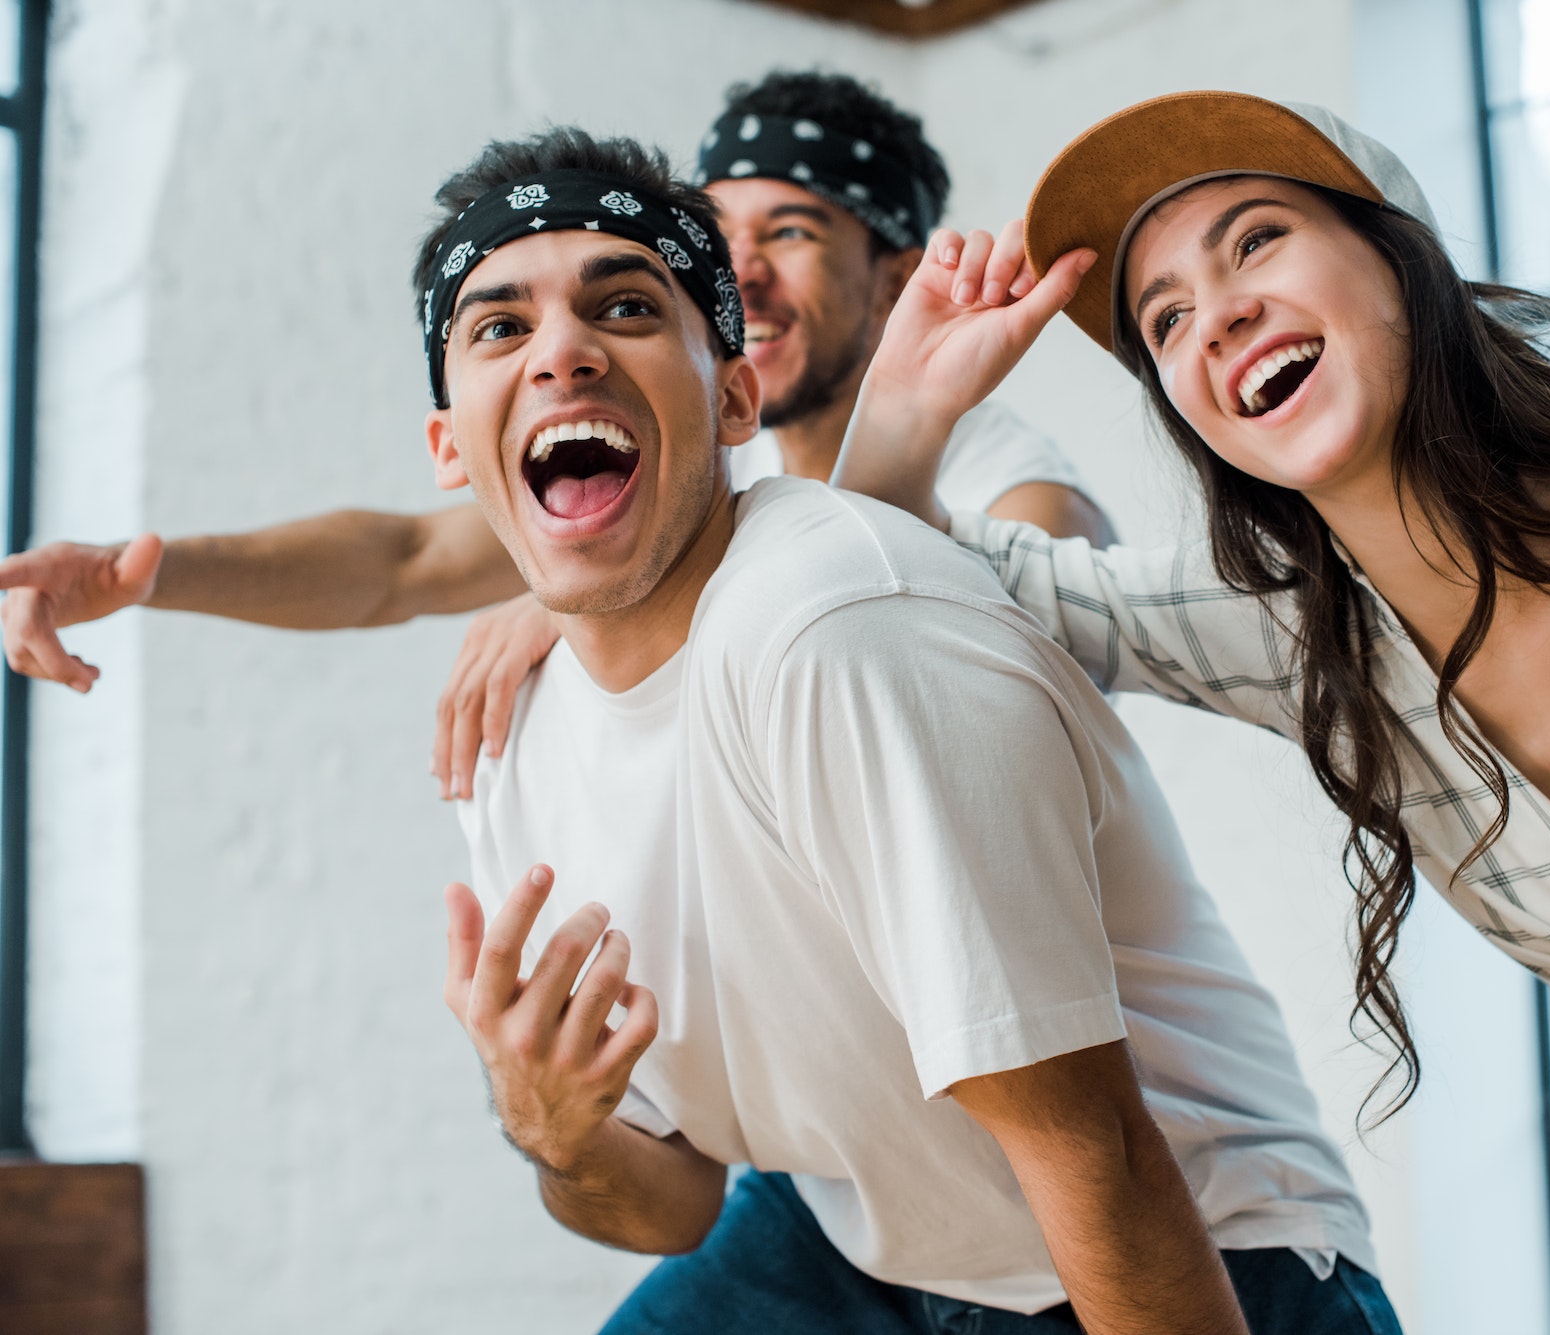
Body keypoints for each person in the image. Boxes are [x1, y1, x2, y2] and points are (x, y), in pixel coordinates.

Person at [827, 93, 1550, 1335]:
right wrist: (904, 410)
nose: (1214, 311)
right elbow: (898, 588)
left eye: (1255, 240)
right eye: (1163, 317)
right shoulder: (1298, 642)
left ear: (1397, 254)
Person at [415, 128, 1390, 1334]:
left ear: (733, 398)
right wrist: (550, 1128)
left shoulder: (837, 623)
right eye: (499, 326)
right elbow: (663, 1205)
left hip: (1181, 1249)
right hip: (870, 1240)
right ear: (450, 446)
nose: (561, 350)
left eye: (621, 306)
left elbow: (1095, 1155)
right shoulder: (507, 737)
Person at [0, 70, 1109, 801]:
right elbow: (400, 563)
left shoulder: (1004, 474)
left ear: (896, 277)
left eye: (794, 230)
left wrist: (590, 594)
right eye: (722, 239)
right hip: (821, 1133)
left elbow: (969, 674)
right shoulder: (707, 468)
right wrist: (137, 576)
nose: (746, 269)